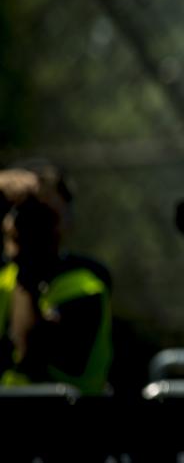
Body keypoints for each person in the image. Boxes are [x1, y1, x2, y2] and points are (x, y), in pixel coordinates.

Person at [0, 160, 113, 394]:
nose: (26, 221)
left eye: (42, 212)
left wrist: (26, 268)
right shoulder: (4, 278)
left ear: (65, 220)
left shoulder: (85, 283)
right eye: (20, 209)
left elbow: (34, 354)